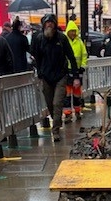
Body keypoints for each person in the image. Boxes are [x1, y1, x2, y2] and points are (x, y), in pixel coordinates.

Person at [31, 13, 79, 142]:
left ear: (55, 24)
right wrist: (40, 72)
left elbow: (71, 58)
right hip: (46, 77)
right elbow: (35, 56)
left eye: (52, 22)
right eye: (47, 23)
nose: (49, 25)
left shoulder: (62, 39)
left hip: (60, 76)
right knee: (50, 104)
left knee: (57, 103)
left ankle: (55, 130)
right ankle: (56, 120)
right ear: (43, 25)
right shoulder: (39, 39)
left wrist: (75, 76)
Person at [62, 19, 87, 123]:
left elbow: (84, 55)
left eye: (74, 31)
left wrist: (83, 66)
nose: (73, 33)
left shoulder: (79, 42)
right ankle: (67, 114)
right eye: (71, 31)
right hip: (67, 71)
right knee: (67, 95)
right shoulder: (65, 41)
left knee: (77, 94)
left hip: (77, 71)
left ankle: (77, 111)